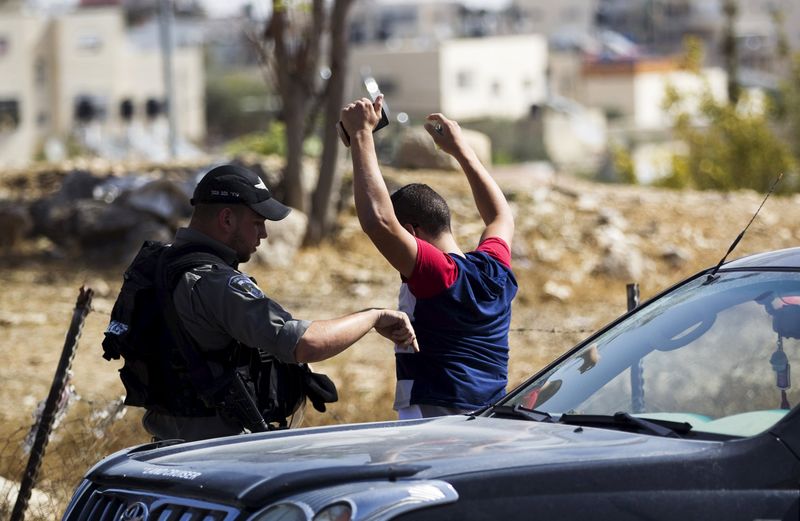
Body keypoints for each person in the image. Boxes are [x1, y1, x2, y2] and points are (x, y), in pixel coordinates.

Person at [142, 163, 417, 441]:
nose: (263, 235)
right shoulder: (216, 283)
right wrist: (373, 317)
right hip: (214, 451)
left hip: (167, 443)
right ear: (226, 220)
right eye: (257, 223)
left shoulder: (160, 263)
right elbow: (305, 343)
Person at [340, 96, 518, 419]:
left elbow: (378, 221)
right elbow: (500, 216)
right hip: (492, 419)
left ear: (412, 231)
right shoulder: (494, 270)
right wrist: (461, 151)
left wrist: (361, 136)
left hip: (438, 425)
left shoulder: (438, 275)